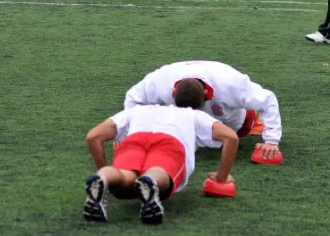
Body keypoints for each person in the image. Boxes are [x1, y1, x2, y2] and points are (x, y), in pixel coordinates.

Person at [83, 78, 238, 224]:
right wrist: (221, 178)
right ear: (203, 101)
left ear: (173, 94)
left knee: (125, 174)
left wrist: (105, 172)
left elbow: (93, 136)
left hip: (134, 140)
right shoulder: (195, 115)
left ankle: (102, 178)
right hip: (169, 143)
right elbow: (231, 137)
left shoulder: (138, 110)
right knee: (158, 170)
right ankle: (150, 181)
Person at [123, 60, 283, 161]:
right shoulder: (159, 82)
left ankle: (251, 122)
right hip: (178, 123)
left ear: (207, 95)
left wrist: (271, 141)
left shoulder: (231, 82)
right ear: (172, 93)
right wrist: (129, 134)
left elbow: (268, 99)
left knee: (243, 126)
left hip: (234, 122)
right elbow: (132, 98)